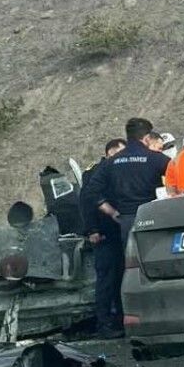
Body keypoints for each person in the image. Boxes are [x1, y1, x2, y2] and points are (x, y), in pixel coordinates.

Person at [93, 117, 171, 251]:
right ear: (146, 138)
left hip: (126, 220)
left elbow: (92, 190)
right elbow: (178, 180)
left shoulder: (111, 162)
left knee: (133, 263)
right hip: (153, 216)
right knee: (156, 257)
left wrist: (111, 212)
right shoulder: (157, 159)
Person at [80, 138, 127, 339]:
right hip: (103, 233)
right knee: (107, 279)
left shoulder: (115, 171)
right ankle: (104, 322)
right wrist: (92, 229)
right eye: (121, 154)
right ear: (111, 152)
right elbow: (86, 201)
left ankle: (118, 319)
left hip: (117, 231)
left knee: (118, 277)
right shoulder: (96, 172)